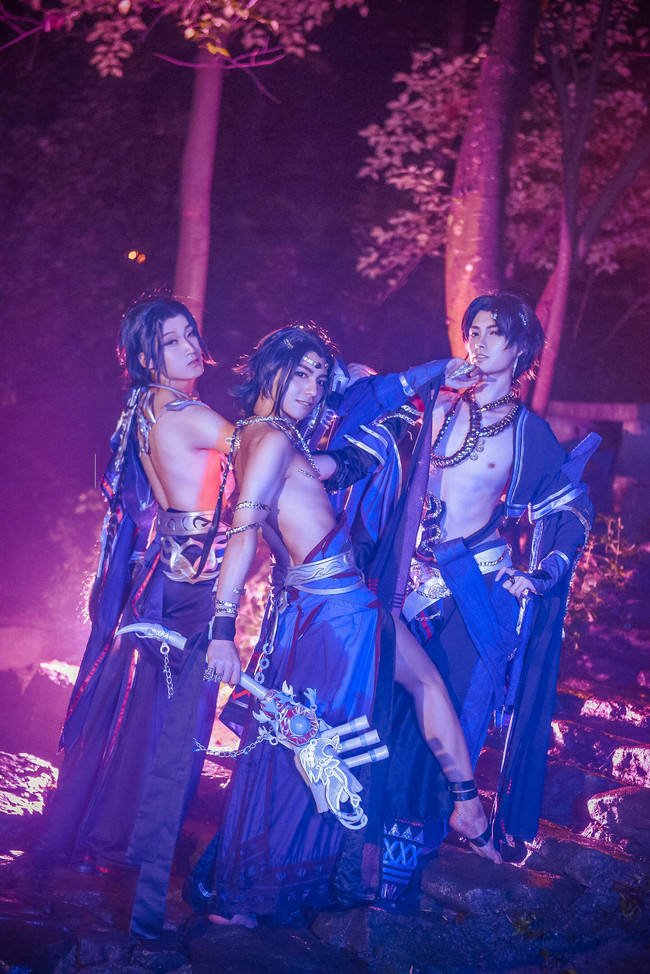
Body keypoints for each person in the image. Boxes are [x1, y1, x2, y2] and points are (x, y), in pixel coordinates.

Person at [186, 323, 501, 928]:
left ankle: (248, 890)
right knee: (326, 737)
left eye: (318, 377)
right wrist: (223, 629)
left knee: (307, 739)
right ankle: (465, 812)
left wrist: (410, 408)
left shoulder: (267, 438)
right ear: (269, 370)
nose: (311, 388)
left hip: (320, 607)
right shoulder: (270, 439)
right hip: (339, 611)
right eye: (299, 373)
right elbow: (244, 531)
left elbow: (346, 464)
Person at [366, 292, 599, 896]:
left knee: (443, 711)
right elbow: (369, 426)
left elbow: (569, 509)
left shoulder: (528, 434)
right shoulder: (438, 405)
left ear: (520, 348)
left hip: (468, 590)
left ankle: (407, 858)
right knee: (383, 706)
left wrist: (541, 573)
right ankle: (361, 845)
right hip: (401, 583)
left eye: (494, 331)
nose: (479, 339)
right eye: (474, 329)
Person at [35, 297, 234, 873]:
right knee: (170, 724)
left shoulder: (144, 408)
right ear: (146, 356)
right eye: (172, 341)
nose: (190, 347)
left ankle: (114, 841)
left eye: (190, 333)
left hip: (162, 577)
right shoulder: (188, 414)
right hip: (191, 587)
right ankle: (130, 849)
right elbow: (276, 458)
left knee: (145, 716)